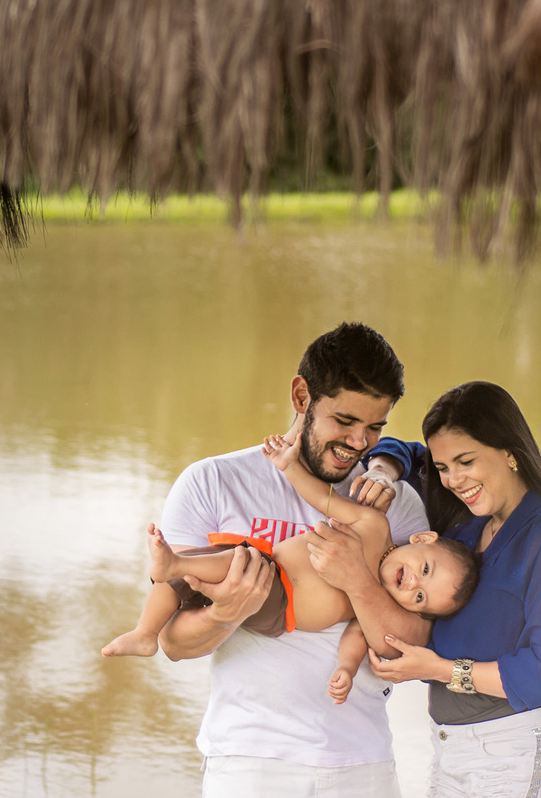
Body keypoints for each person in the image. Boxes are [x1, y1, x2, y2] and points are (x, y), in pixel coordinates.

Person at [154, 322, 434, 798]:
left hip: (362, 764)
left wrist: (359, 582)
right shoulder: (211, 482)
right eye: (344, 422)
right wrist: (228, 612)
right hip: (249, 765)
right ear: (301, 396)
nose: (358, 443)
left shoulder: (393, 502)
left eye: (374, 428)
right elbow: (174, 643)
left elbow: (411, 644)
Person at [319, 381, 541, 798]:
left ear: (509, 451)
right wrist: (383, 472)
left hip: (516, 750)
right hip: (452, 752)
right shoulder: (466, 529)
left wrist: (436, 669)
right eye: (444, 467)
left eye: (466, 461)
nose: (452, 480)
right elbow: (408, 451)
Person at [101, 437, 480, 707]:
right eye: (424, 569)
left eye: (419, 597)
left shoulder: (375, 605)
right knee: (192, 576)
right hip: (266, 561)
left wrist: (346, 669)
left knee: (224, 570)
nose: (413, 582)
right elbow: (324, 498)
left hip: (278, 605)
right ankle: (146, 630)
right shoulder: (375, 525)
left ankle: (176, 568)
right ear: (422, 538)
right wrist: (290, 467)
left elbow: (358, 640)